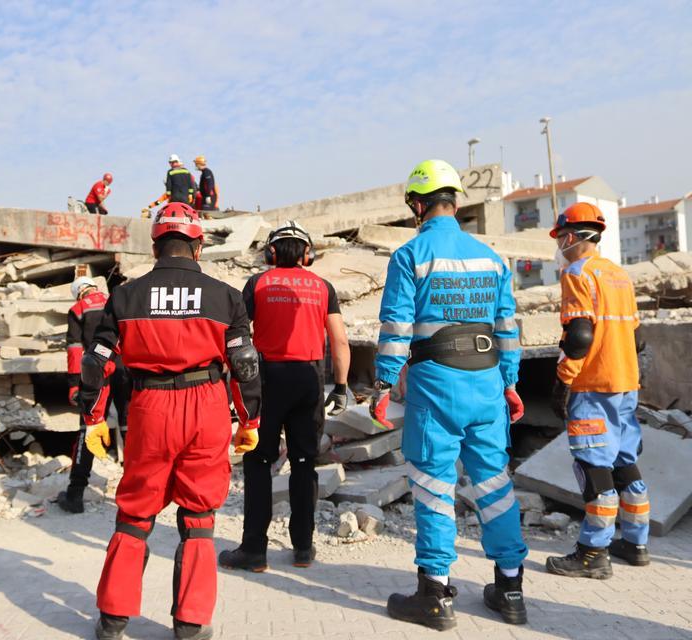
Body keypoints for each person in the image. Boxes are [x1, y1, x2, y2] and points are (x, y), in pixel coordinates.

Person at [79, 202, 261, 640]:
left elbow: (95, 362)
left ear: (156, 245)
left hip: (149, 406)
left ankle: (113, 620)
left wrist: (93, 416)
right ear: (197, 246)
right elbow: (244, 364)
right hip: (207, 406)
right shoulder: (225, 296)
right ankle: (191, 624)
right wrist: (250, 419)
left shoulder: (124, 296)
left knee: (136, 512)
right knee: (199, 515)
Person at [373, 159, 529, 631]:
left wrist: (383, 382)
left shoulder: (410, 255)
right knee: (495, 484)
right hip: (486, 385)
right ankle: (510, 589)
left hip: (436, 386)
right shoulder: (491, 257)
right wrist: (510, 381)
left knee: (434, 486)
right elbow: (507, 326)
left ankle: (435, 596)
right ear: (456, 201)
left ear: (418, 205)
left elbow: (397, 327)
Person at [219, 220, 350, 571]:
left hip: (267, 381)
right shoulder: (323, 287)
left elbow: (237, 335)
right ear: (308, 253)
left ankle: (254, 550)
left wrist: (233, 382)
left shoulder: (257, 283)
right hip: (309, 379)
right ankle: (304, 548)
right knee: (305, 463)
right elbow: (338, 340)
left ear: (271, 252)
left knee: (259, 462)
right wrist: (341, 385)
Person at [545, 202, 650, 578]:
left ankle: (593, 552)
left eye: (560, 239)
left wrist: (564, 381)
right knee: (625, 461)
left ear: (571, 237)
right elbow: (636, 337)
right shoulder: (619, 274)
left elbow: (579, 335)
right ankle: (636, 543)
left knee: (594, 467)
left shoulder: (577, 273)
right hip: (625, 381)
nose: (560, 247)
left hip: (594, 383)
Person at [58, 275, 130, 514]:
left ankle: (75, 494)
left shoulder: (78, 309)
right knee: (130, 427)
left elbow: (75, 349)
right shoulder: (117, 300)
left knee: (89, 427)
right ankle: (136, 494)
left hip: (95, 372)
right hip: (124, 369)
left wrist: (73, 384)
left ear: (79, 292)